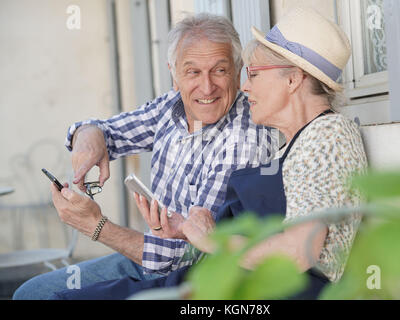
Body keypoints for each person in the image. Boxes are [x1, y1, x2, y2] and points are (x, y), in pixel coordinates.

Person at [46, 6, 368, 300]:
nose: (245, 87)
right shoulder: (299, 139)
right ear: (174, 73)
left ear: (293, 80)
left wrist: (205, 239)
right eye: (192, 72)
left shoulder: (326, 134)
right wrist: (189, 227)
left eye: (252, 74)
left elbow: (299, 253)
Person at [12, 13, 276, 300]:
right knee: (31, 292)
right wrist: (88, 137)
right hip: (147, 260)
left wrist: (96, 226)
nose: (207, 87)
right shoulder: (172, 106)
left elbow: (185, 258)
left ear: (238, 72)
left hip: (191, 281)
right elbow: (107, 130)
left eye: (219, 70)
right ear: (173, 74)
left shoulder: (244, 137)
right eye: (192, 72)